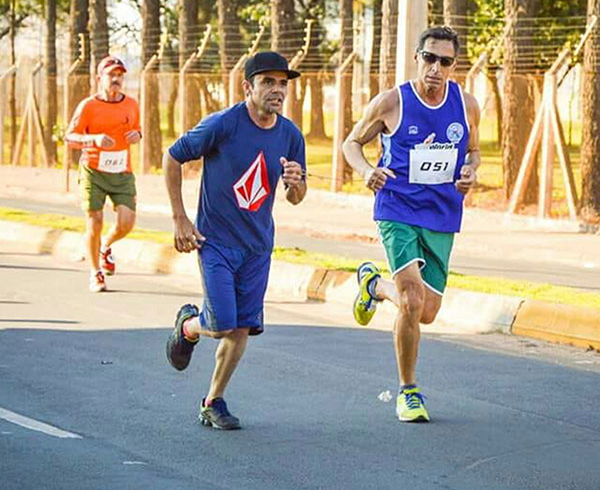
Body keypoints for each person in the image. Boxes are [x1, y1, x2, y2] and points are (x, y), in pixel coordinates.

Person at [342, 26, 480, 423]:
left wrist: (470, 171)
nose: (436, 68)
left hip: (442, 213)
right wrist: (367, 170)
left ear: (454, 66)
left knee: (428, 311)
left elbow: (473, 152)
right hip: (397, 208)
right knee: (412, 300)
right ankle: (409, 391)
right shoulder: (391, 102)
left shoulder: (467, 105)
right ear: (417, 58)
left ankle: (372, 285)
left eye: (445, 61)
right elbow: (351, 142)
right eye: (429, 59)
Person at [163, 51, 307, 430]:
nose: (277, 90)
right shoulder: (224, 125)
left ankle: (213, 401)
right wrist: (180, 218)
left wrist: (296, 184)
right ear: (248, 86)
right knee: (223, 324)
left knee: (242, 327)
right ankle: (188, 327)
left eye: (282, 83)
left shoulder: (290, 135)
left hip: (258, 246)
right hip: (216, 242)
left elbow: (296, 196)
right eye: (268, 82)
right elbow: (173, 157)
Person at [65, 56, 141, 293]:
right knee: (95, 222)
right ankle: (95, 272)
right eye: (111, 75)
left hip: (121, 171)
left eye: (120, 75)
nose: (116, 79)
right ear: (100, 78)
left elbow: (137, 131)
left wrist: (137, 136)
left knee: (127, 223)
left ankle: (105, 247)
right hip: (94, 171)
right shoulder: (88, 106)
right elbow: (70, 137)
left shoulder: (131, 104)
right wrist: (93, 139)